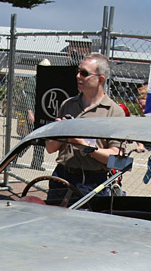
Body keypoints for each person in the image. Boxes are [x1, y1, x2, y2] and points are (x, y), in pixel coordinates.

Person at [42, 53, 124, 205]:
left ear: (100, 79)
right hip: (61, 176)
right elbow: (50, 148)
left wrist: (84, 146)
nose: (78, 76)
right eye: (78, 72)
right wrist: (59, 134)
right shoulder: (68, 105)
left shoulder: (113, 112)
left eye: (84, 73)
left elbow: (116, 158)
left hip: (91, 182)